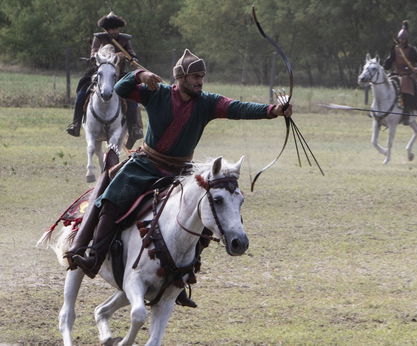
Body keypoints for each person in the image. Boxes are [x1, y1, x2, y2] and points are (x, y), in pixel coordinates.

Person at [65, 49, 292, 307]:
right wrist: (141, 74)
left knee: (205, 220)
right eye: (195, 76)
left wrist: (273, 110)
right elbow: (120, 87)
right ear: (181, 78)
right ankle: (94, 256)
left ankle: (181, 276)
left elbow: (238, 108)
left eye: (202, 77)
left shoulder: (207, 102)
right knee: (111, 199)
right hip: (146, 164)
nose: (200, 82)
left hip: (181, 172)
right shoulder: (157, 92)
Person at [66, 11, 144, 149]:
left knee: (132, 99)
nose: (113, 31)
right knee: (82, 93)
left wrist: (131, 58)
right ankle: (76, 123)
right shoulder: (99, 38)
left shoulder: (125, 39)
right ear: (106, 29)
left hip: (119, 74)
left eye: (116, 28)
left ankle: (134, 128)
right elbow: (93, 52)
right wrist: (97, 56)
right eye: (111, 28)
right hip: (100, 72)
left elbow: (132, 54)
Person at [383, 20, 417, 125]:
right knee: (384, 85)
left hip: (408, 75)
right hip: (396, 74)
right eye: (400, 38)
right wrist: (384, 67)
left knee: (405, 86)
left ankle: (406, 114)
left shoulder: (412, 50)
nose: (401, 40)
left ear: (406, 39)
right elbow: (389, 61)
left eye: (403, 39)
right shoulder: (395, 49)